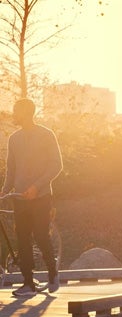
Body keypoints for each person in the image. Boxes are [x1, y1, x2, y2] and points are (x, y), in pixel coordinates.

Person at [1, 98, 63, 297]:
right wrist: (4, 192)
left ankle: (53, 273)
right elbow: (11, 170)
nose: (13, 114)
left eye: (16, 111)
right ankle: (28, 283)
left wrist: (36, 187)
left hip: (41, 197)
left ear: (27, 113)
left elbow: (56, 165)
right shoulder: (14, 139)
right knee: (22, 240)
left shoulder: (46, 135)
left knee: (41, 236)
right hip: (19, 199)